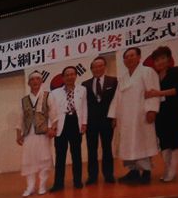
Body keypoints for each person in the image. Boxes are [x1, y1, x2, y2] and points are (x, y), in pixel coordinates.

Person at [111, 45, 159, 184]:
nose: (129, 59)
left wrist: (152, 110)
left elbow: (153, 92)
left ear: (139, 57)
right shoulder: (123, 78)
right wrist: (114, 116)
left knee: (142, 144)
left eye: (132, 55)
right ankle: (133, 172)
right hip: (125, 118)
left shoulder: (147, 72)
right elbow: (117, 98)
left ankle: (146, 173)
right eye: (126, 57)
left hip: (141, 116)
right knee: (128, 145)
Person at [145, 46, 178, 183]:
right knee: (164, 142)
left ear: (168, 59)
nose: (160, 62)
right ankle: (167, 168)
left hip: (176, 111)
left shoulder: (176, 71)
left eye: (163, 58)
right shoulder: (154, 76)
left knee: (175, 140)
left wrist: (158, 93)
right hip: (160, 113)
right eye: (157, 60)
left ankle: (172, 170)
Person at [13, 70, 53, 198]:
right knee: (29, 160)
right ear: (28, 83)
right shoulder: (24, 100)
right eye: (32, 79)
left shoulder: (48, 96)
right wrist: (18, 134)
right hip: (28, 135)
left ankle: (42, 186)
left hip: (43, 133)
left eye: (37, 79)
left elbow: (53, 114)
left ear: (41, 81)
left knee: (44, 159)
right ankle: (30, 187)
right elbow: (20, 119)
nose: (35, 81)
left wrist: (51, 128)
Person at [48, 64, 85, 190]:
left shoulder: (82, 90)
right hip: (60, 125)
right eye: (67, 75)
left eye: (72, 74)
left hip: (75, 123)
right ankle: (58, 184)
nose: (70, 77)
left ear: (76, 76)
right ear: (63, 78)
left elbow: (84, 107)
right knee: (60, 156)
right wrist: (51, 127)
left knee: (76, 154)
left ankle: (77, 181)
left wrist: (84, 123)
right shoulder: (54, 93)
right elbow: (51, 111)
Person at [82, 55, 118, 183]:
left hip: (107, 121)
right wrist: (84, 122)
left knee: (107, 148)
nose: (97, 69)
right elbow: (83, 105)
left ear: (104, 67)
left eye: (100, 66)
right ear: (91, 69)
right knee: (92, 149)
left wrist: (115, 117)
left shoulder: (113, 81)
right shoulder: (85, 84)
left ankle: (108, 175)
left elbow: (116, 101)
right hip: (91, 122)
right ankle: (92, 176)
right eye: (94, 67)